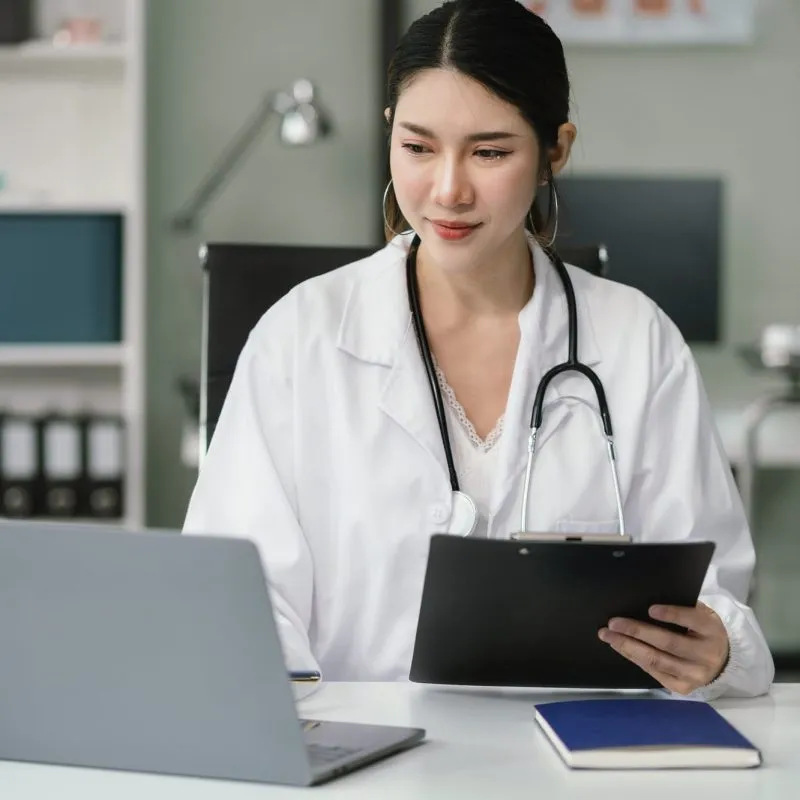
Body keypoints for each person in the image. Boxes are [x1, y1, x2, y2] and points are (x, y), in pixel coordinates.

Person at [183, 0, 773, 698]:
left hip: (576, 756)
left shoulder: (638, 342)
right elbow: (234, 594)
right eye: (418, 147)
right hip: (362, 757)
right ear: (389, 135)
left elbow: (711, 593)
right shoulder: (301, 338)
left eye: (490, 152)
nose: (448, 189)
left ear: (556, 148)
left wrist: (714, 650)